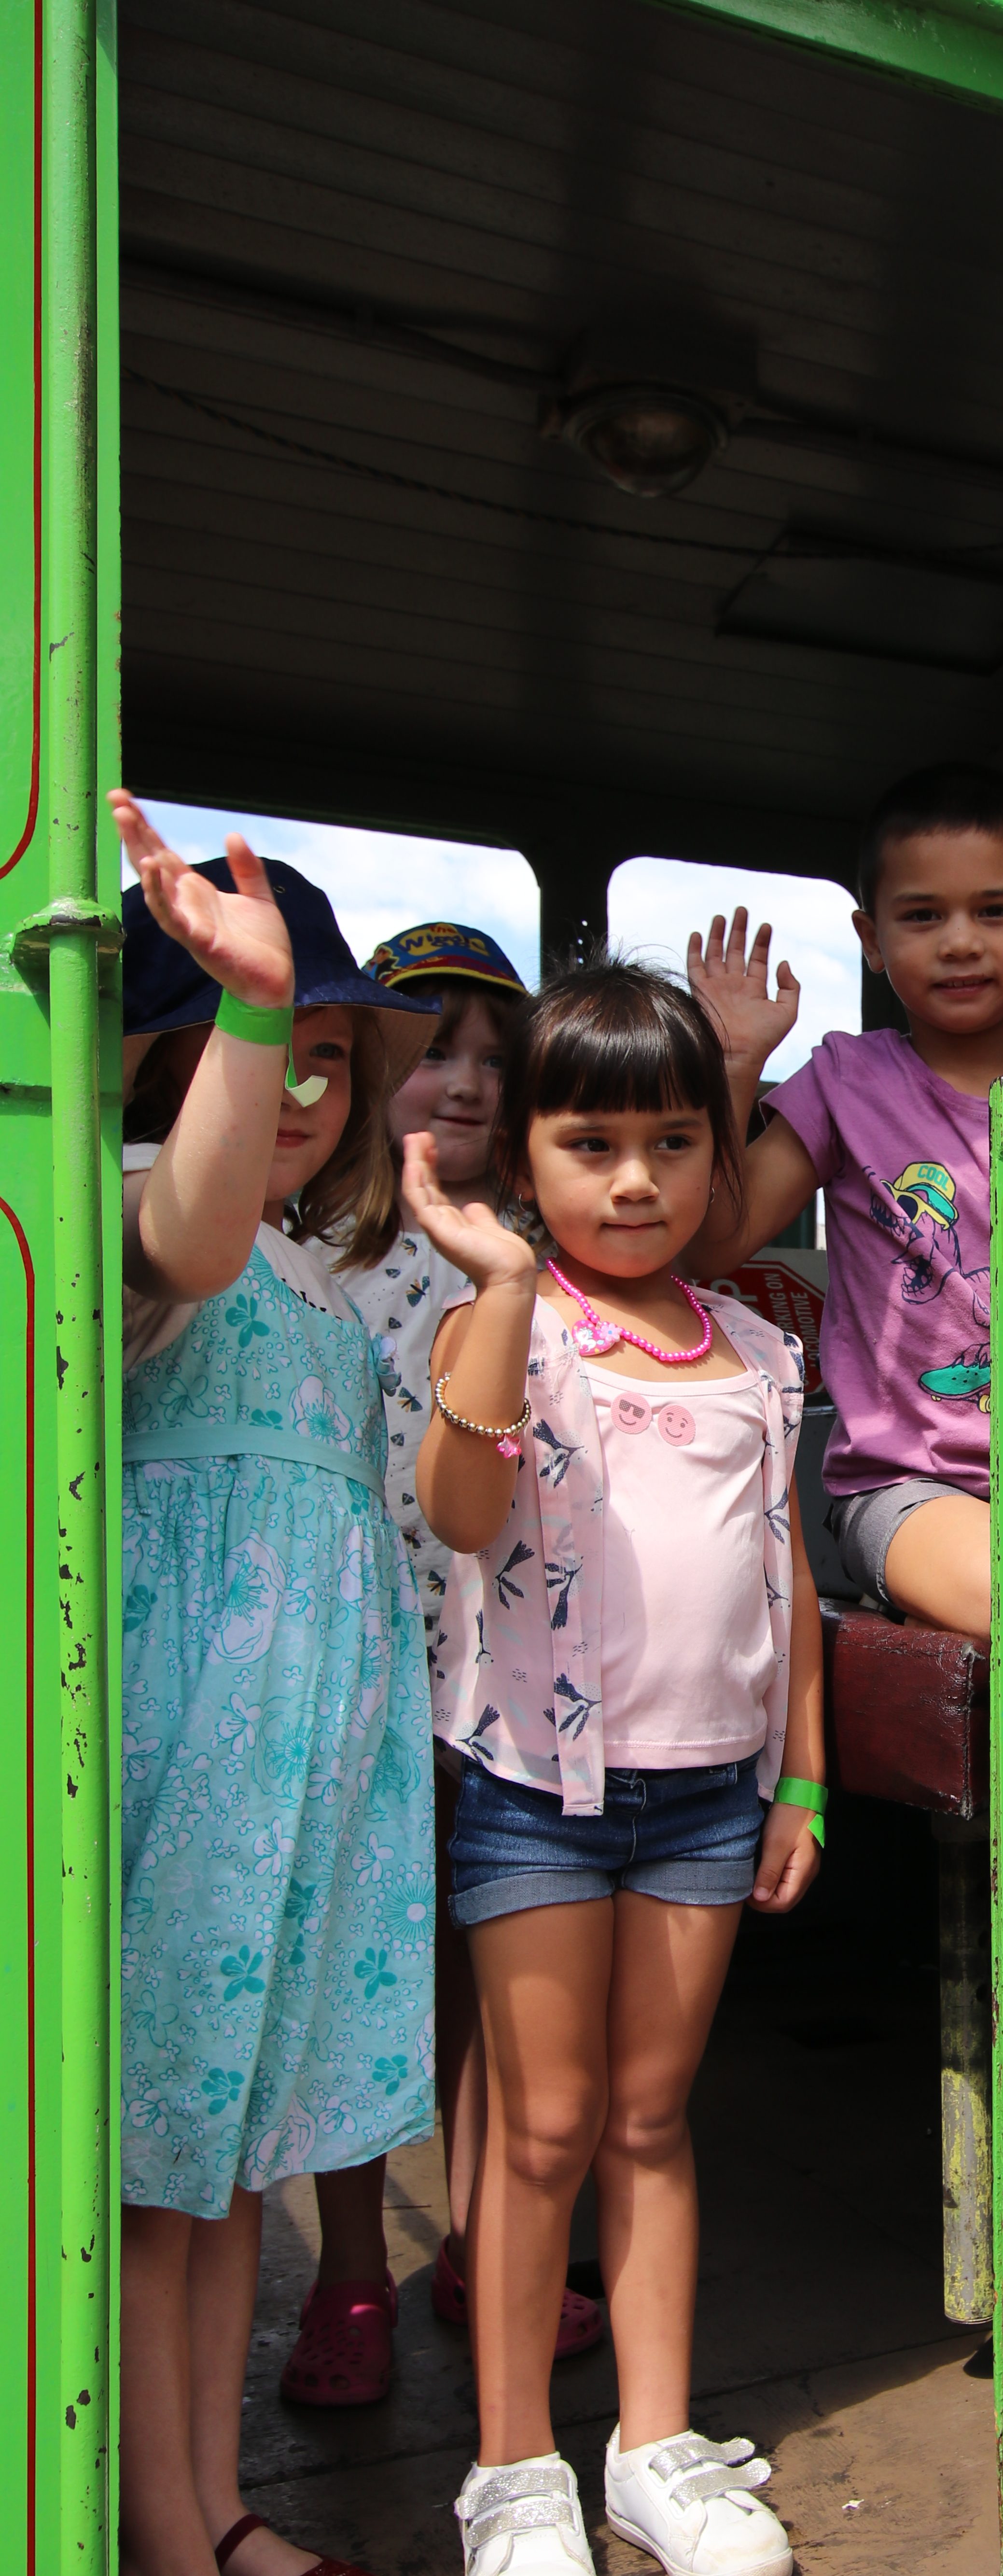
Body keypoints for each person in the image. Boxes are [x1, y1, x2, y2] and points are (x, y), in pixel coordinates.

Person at [403, 961, 826, 2576]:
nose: (636, 1179)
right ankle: (516, 2473)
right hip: (535, 1794)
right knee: (546, 2130)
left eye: (673, 1142)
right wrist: (501, 1280)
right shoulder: (509, 1319)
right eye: (591, 1144)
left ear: (720, 1163)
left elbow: (787, 1577)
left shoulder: (754, 1352)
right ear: (530, 1162)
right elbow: (459, 1508)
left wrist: (803, 1772)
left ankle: (654, 2448)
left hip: (707, 1800)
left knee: (653, 2121)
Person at [113, 798, 440, 2576]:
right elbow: (190, 1224)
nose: (301, 1084)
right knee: (157, 2176)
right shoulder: (156, 1203)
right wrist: (243, 1036)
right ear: (166, 1050)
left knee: (227, 2166)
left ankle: (220, 2503)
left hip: (306, 1763)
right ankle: (159, 2573)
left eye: (328, 1052)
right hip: (186, 1757)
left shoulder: (335, 1283)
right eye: (257, 1042)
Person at [279, 925, 604, 2407]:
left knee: (488, 1986)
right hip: (358, 1669)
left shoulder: (548, 1255)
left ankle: (487, 2249)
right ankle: (350, 2269)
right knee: (364, 1984)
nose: (463, 1084)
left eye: (495, 1057)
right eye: (431, 1055)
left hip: (512, 1677)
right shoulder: (313, 1251)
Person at [684, 762, 1003, 1645]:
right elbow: (714, 1243)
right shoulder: (847, 1080)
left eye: (994, 911)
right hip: (908, 1486)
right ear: (871, 938)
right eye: (922, 916)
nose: (959, 942)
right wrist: (732, 1068)